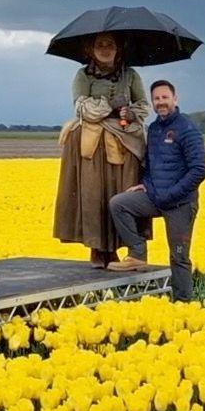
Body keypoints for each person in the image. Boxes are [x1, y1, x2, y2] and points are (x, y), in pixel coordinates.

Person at [54, 33, 150, 267]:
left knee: (122, 193)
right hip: (93, 145)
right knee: (93, 194)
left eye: (110, 45)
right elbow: (82, 107)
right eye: (100, 45)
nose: (105, 49)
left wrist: (130, 112)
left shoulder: (131, 74)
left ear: (119, 48)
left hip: (125, 143)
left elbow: (144, 106)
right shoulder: (83, 75)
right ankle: (98, 250)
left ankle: (126, 248)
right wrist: (109, 105)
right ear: (91, 49)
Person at [106, 80, 205, 295]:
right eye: (157, 99)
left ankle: (183, 304)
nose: (161, 102)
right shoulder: (153, 129)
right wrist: (146, 185)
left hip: (180, 203)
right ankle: (137, 254)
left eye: (165, 97)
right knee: (119, 204)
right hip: (155, 197)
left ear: (175, 99)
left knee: (179, 256)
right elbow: (150, 163)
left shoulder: (187, 128)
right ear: (152, 102)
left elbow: (200, 169)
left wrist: (171, 194)